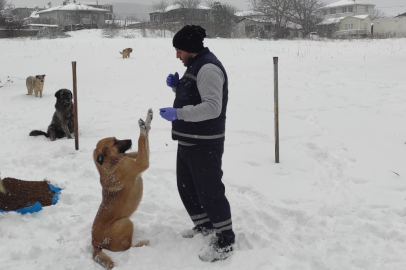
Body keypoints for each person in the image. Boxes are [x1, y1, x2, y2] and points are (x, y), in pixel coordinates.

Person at [159, 25, 235, 262]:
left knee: (210, 190)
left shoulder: (208, 68)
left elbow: (213, 107)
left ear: (191, 48)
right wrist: (176, 86)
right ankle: (204, 226)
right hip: (189, 139)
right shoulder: (195, 64)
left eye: (179, 50)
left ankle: (225, 239)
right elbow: (195, 95)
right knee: (188, 187)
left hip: (205, 141)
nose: (177, 55)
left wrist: (178, 114)